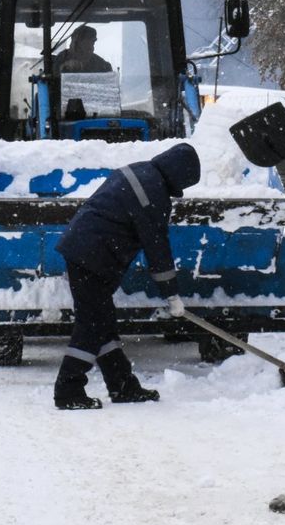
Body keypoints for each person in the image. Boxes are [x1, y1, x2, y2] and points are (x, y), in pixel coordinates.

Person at [51, 143, 201, 409]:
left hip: (83, 249)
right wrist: (171, 294)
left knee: (102, 322)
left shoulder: (140, 170)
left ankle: (122, 385)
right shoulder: (153, 193)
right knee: (93, 325)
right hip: (92, 257)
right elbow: (157, 247)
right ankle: (68, 390)